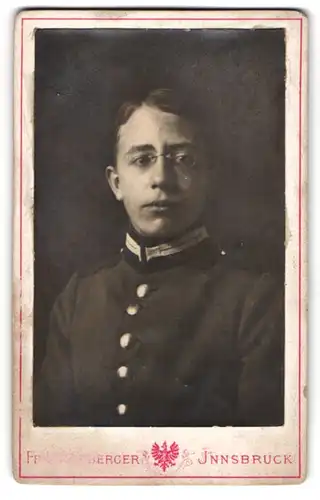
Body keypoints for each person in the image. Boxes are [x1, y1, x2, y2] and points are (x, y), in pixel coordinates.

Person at [34, 88, 284, 427]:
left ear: (208, 178)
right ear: (116, 182)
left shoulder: (255, 302)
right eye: (142, 159)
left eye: (184, 160)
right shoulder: (78, 299)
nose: (162, 180)